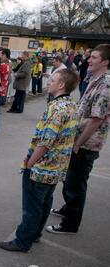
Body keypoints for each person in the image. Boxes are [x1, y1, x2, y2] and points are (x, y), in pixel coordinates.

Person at [0, 69, 80, 252]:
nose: (49, 81)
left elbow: (46, 142)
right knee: (44, 202)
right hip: (56, 167)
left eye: (53, 79)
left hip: (42, 167)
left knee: (32, 206)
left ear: (61, 85)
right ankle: (35, 234)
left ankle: (23, 241)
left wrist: (30, 162)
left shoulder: (56, 108)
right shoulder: (71, 105)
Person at [47, 44, 110, 235]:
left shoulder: (106, 85)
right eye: (90, 57)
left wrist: (78, 143)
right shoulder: (94, 79)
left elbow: (96, 119)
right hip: (78, 139)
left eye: (94, 58)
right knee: (70, 179)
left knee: (76, 183)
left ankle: (70, 224)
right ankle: (68, 208)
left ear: (106, 62)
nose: (89, 60)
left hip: (86, 143)